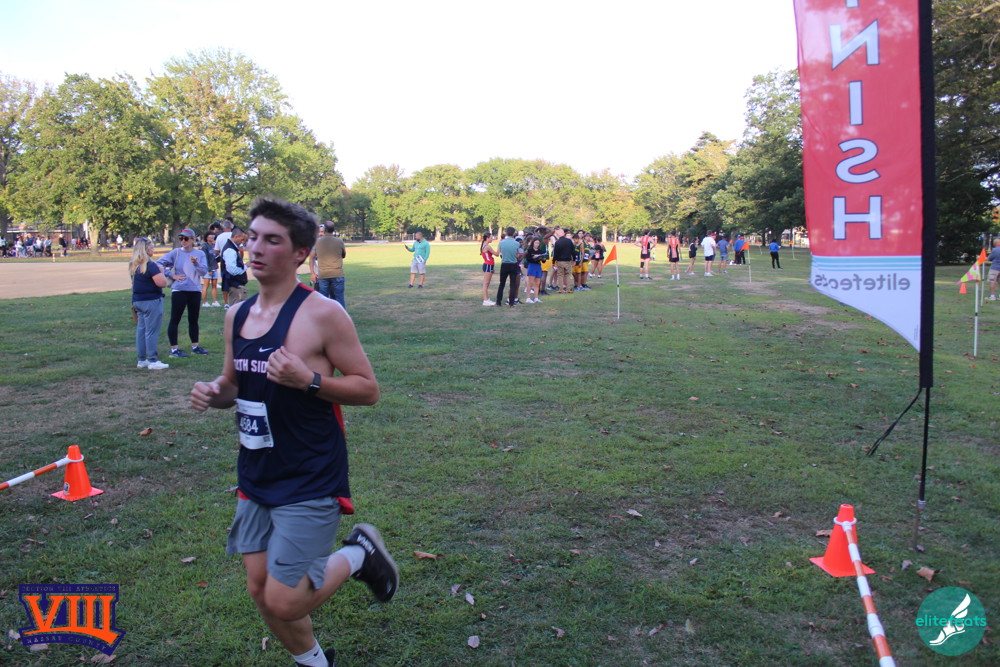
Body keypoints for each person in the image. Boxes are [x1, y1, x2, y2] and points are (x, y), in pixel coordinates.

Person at [190, 195, 395, 667]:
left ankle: (358, 554)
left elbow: (368, 390)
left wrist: (309, 381)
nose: (255, 248)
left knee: (284, 600)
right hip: (256, 470)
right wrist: (213, 392)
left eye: (272, 240)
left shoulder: (323, 314)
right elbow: (232, 384)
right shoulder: (237, 315)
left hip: (310, 470)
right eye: (253, 237)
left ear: (301, 253)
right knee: (260, 590)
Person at [157, 228, 209, 358]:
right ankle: (174, 350)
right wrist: (172, 275)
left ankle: (195, 347)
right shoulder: (176, 253)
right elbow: (159, 264)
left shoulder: (200, 254)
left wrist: (196, 263)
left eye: (186, 238)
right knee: (175, 319)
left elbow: (203, 272)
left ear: (192, 239)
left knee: (193, 319)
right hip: (179, 290)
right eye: (181, 238)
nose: (183, 241)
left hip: (194, 290)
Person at [130, 238, 169, 370]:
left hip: (138, 300)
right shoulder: (150, 266)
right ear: (146, 249)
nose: (153, 250)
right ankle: (153, 360)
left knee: (141, 330)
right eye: (152, 247)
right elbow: (162, 283)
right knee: (151, 331)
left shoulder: (134, 265)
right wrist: (161, 272)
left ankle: (142, 359)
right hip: (151, 301)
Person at [310, 222, 347, 309]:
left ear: (325, 230)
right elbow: (344, 255)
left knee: (323, 298)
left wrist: (312, 273)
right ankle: (341, 316)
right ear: (333, 230)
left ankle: (323, 316)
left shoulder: (317, 242)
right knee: (339, 298)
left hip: (323, 275)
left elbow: (311, 257)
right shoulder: (339, 241)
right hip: (337, 274)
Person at [221, 227, 250, 308]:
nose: (242, 242)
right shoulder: (230, 250)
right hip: (234, 286)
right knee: (236, 310)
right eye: (242, 239)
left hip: (236, 286)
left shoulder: (232, 248)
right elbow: (232, 270)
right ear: (236, 236)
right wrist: (246, 266)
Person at [495, 226, 523, 307]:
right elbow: (517, 255)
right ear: (514, 233)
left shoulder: (501, 242)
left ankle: (498, 301)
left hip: (504, 264)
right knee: (512, 284)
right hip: (513, 264)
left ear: (506, 233)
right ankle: (511, 302)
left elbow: (499, 253)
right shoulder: (517, 243)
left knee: (502, 284)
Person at [215, 217, 235, 304]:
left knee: (225, 282)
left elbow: (216, 251)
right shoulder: (234, 235)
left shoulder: (219, 237)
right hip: (234, 260)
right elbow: (241, 248)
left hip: (223, 261)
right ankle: (234, 300)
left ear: (223, 227)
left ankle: (226, 302)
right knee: (234, 281)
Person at [523, 237, 548, 303]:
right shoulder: (529, 250)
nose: (537, 244)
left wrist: (543, 259)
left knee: (537, 283)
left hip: (538, 266)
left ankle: (536, 298)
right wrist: (534, 257)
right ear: (533, 243)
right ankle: (528, 298)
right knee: (530, 283)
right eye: (536, 243)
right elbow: (528, 259)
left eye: (538, 243)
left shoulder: (540, 251)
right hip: (532, 266)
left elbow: (543, 261)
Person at [551, 227, 575, 294]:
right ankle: (568, 289)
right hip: (568, 260)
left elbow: (555, 253)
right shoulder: (569, 241)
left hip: (560, 261)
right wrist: (574, 259)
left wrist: (553, 262)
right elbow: (573, 251)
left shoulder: (557, 242)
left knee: (560, 275)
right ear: (564, 234)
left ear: (558, 234)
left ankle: (561, 289)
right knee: (568, 275)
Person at [201, 231, 222, 307]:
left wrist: (219, 255)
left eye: (213, 236)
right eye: (210, 236)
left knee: (214, 285)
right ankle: (204, 302)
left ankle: (214, 301)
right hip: (208, 269)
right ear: (207, 237)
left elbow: (217, 258)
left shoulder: (215, 246)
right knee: (206, 286)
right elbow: (205, 259)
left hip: (214, 267)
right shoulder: (204, 247)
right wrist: (209, 269)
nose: (212, 237)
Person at [480, 232, 497, 306]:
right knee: (486, 283)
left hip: (488, 265)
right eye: (491, 238)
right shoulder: (487, 246)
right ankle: (486, 300)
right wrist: (500, 247)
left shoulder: (484, 245)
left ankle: (486, 299)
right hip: (488, 265)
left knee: (487, 283)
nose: (492, 239)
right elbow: (496, 254)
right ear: (487, 238)